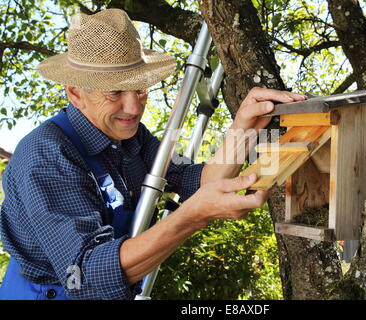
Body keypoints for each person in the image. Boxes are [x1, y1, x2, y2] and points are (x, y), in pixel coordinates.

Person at [0, 9, 306, 300]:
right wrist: (191, 217)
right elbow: (84, 276)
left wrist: (244, 128)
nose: (134, 108)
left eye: (140, 90)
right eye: (115, 92)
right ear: (76, 93)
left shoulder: (133, 138)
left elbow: (195, 179)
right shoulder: (46, 156)